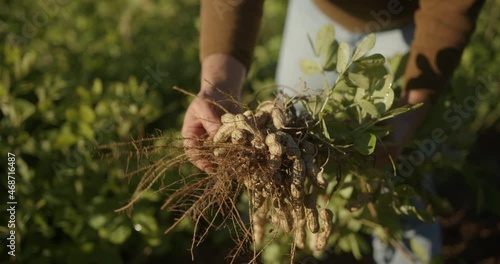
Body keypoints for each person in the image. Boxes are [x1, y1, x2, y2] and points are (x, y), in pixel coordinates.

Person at [181, 0, 485, 262]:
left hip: (410, 18)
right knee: (288, 134)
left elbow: (450, 7)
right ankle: (289, 248)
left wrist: (407, 118)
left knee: (395, 171)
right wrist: (218, 85)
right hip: (318, 14)